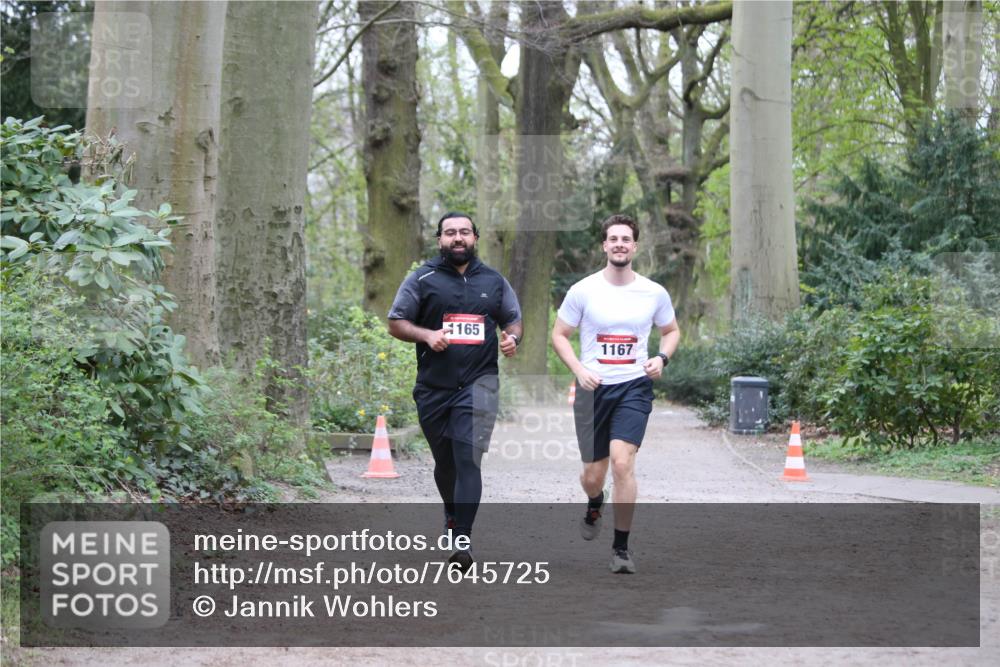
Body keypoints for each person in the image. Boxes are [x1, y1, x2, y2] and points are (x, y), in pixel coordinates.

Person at [388, 211, 523, 571]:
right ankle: (451, 514)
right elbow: (396, 322)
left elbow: (512, 319)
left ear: (475, 238)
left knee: (468, 459)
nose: (458, 238)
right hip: (434, 388)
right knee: (445, 464)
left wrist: (512, 339)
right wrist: (427, 335)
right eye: (450, 233)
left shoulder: (494, 281)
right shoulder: (422, 279)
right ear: (440, 240)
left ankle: (462, 539)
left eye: (464, 232)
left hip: (480, 387)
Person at [551, 214, 680, 574]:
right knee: (592, 475)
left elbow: (671, 331)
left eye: (626, 239)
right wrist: (579, 370)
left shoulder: (654, 292)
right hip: (593, 389)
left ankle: (621, 549)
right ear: (604, 246)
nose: (620, 244)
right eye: (613, 239)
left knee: (622, 463)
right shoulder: (583, 290)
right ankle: (595, 502)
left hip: (634, 387)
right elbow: (559, 334)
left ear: (635, 246)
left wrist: (661, 357)